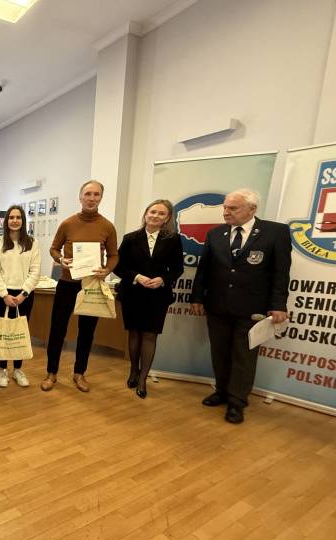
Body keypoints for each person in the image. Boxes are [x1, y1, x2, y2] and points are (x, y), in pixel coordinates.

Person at [191, 189, 291, 424]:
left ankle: (237, 401)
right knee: (220, 352)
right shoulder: (215, 233)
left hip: (252, 308)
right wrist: (197, 298)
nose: (226, 212)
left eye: (233, 208)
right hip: (218, 304)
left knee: (244, 356)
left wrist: (278, 304)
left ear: (252, 209)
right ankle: (222, 391)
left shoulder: (275, 232)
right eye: (225, 207)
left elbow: (281, 272)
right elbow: (204, 270)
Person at [42, 180, 118, 393]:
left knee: (87, 331)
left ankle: (79, 373)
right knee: (57, 330)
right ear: (80, 197)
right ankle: (51, 373)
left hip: (91, 285)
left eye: (96, 194)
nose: (91, 198)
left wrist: (107, 270)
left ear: (101, 198)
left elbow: (114, 255)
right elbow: (53, 249)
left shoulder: (107, 227)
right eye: (88, 194)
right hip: (67, 284)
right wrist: (60, 259)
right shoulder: (67, 224)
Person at [113, 200, 184, 398]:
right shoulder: (130, 238)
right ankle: (133, 371)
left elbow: (178, 268)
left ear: (167, 218)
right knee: (134, 334)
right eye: (152, 212)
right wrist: (136, 276)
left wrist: (163, 280)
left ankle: (143, 378)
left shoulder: (173, 239)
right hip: (133, 293)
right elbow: (118, 266)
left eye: (161, 213)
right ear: (146, 214)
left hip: (158, 296)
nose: (155, 216)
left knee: (150, 336)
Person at [0, 205, 41, 388]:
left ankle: (18, 369)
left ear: (23, 220)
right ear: (6, 221)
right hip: (2, 295)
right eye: (11, 217)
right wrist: (4, 295)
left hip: (24, 296)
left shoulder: (32, 243)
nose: (15, 220)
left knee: (20, 331)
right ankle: (2, 370)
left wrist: (24, 293)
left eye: (18, 217)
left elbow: (35, 271)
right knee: (3, 332)